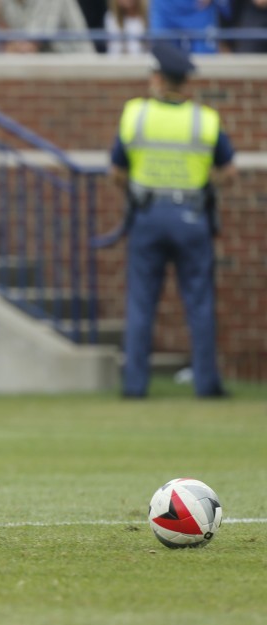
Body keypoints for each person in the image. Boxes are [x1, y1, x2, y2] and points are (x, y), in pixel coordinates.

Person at [109, 42, 236, 399]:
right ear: (185, 83)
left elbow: (116, 170)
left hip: (147, 214)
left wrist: (134, 188)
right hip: (192, 215)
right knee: (199, 303)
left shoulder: (135, 114)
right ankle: (206, 384)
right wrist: (204, 183)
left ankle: (135, 385)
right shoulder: (205, 119)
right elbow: (229, 170)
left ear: (157, 78)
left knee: (141, 305)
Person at [0, 0, 96, 53]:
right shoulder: (5, 2)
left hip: (78, 66)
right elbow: (7, 39)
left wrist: (11, 46)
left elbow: (29, 47)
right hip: (48, 69)